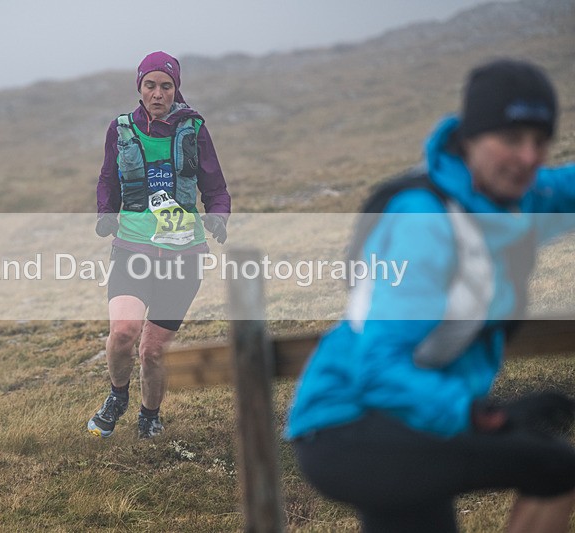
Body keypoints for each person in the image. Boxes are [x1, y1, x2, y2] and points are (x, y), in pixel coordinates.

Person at [286, 58, 575, 532]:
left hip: (398, 422)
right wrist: (480, 416)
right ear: (470, 140)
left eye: (540, 142)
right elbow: (379, 368)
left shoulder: (516, 200)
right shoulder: (427, 224)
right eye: (511, 139)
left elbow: (564, 187)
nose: (528, 158)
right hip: (352, 426)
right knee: (555, 467)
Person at [89, 51, 231, 439]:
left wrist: (218, 216)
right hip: (132, 250)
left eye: (166, 86)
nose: (158, 93)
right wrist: (106, 212)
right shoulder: (119, 131)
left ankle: (149, 416)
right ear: (139, 87)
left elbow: (215, 188)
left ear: (176, 89)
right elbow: (107, 179)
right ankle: (118, 395)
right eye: (150, 85)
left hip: (183, 256)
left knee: (152, 351)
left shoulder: (195, 130)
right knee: (123, 333)